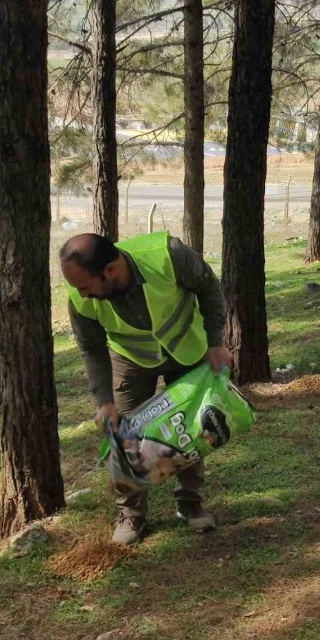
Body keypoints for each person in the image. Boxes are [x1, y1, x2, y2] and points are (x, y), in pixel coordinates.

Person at [60, 231, 232, 545]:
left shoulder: (168, 255)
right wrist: (104, 401)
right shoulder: (79, 301)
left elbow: (208, 288)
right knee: (123, 435)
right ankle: (131, 516)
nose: (81, 294)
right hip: (131, 359)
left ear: (110, 270)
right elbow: (92, 349)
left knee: (191, 429)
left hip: (188, 348)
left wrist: (216, 343)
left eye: (85, 286)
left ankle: (191, 504)